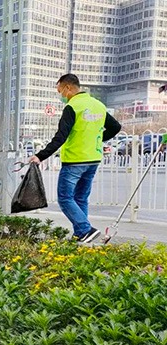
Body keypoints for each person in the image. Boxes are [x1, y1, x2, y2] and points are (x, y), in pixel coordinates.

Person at [29, 74, 121, 244]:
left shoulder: (72, 107)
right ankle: (81, 234)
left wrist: (40, 156)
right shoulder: (98, 105)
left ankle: (86, 229)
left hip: (75, 160)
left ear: (69, 88)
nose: (61, 96)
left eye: (61, 91)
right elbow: (115, 127)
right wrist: (98, 139)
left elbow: (60, 137)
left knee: (64, 198)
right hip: (93, 158)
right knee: (80, 198)